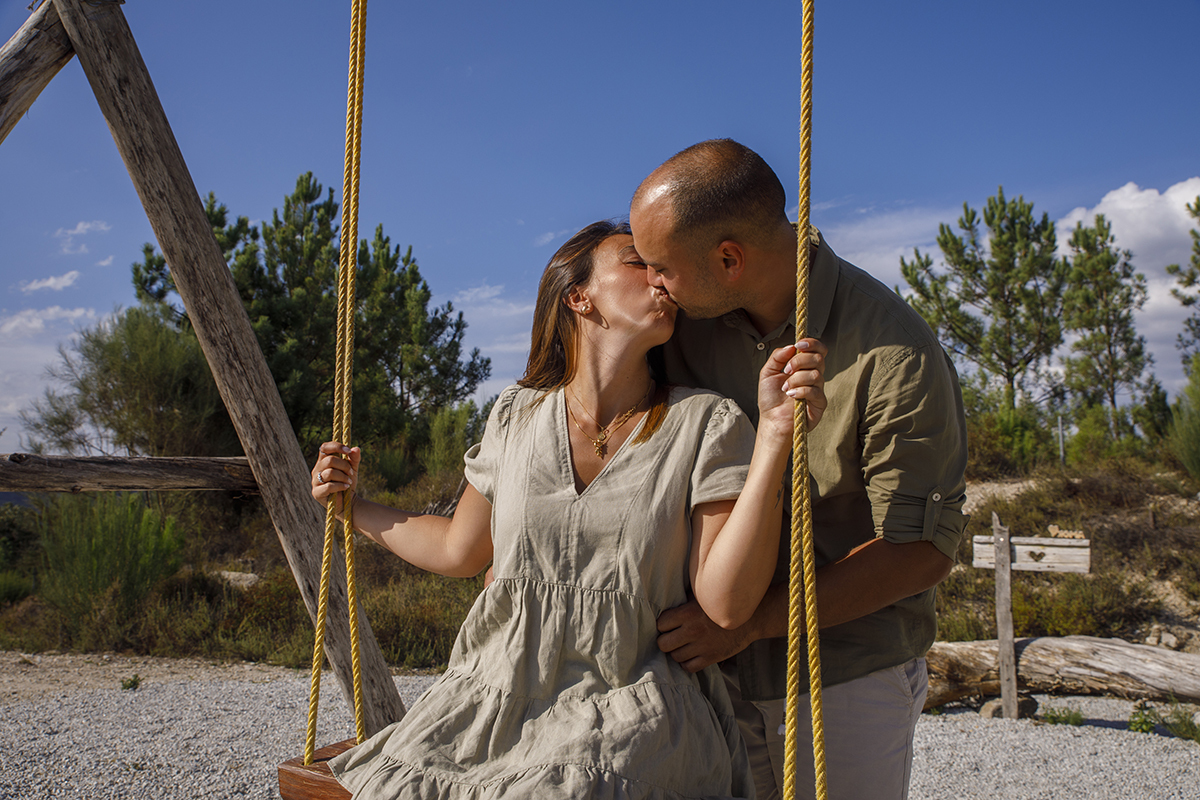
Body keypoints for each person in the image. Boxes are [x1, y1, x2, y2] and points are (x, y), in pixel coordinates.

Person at [310, 219, 828, 799]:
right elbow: (460, 548)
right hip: (491, 691)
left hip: (630, 699)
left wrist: (775, 439)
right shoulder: (515, 415)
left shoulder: (705, 421)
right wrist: (353, 508)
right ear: (578, 296)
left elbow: (726, 603)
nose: (663, 281)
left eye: (664, 270)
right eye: (639, 264)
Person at [629, 139, 968, 800]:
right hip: (708, 679)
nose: (651, 283)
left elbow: (920, 553)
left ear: (729, 259)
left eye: (660, 267)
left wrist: (748, 624)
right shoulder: (681, 330)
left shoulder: (894, 353)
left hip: (843, 679)